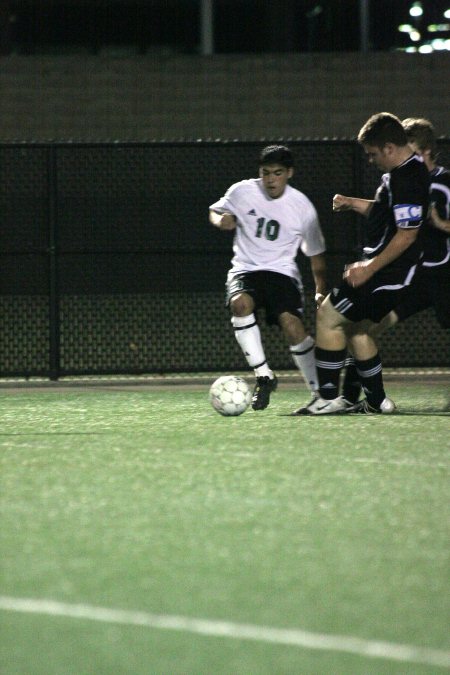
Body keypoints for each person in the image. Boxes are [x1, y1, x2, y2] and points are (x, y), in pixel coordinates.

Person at [294, 112, 430, 415]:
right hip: (392, 274)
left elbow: (407, 235)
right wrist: (352, 202)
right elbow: (386, 212)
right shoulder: (404, 173)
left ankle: (327, 398)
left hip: (386, 274)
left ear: (389, 148)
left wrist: (369, 268)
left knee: (328, 317)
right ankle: (378, 402)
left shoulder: (407, 178)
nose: (370, 160)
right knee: (357, 330)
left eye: (372, 154)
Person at [209, 144, 327, 410]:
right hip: (245, 269)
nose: (271, 179)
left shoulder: (301, 207)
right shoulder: (242, 191)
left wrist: (320, 290)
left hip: (281, 272)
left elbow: (316, 254)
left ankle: (321, 395)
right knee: (240, 304)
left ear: (289, 173)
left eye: (277, 173)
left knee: (292, 326)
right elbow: (216, 210)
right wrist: (221, 221)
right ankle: (264, 375)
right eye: (265, 173)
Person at [342, 117, 450, 404]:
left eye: (411, 149)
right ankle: (351, 395)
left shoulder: (443, 181)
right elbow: (388, 217)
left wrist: (443, 225)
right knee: (365, 327)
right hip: (414, 276)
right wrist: (353, 203)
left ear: (425, 151)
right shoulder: (399, 180)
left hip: (444, 275)